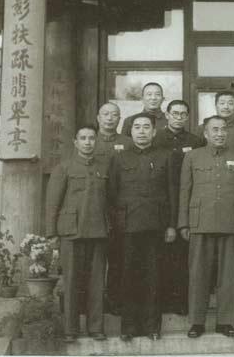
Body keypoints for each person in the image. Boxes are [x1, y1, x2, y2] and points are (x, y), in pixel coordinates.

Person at [179, 116, 234, 339]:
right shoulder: (192, 157)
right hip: (200, 222)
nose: (220, 133)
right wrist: (183, 222)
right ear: (205, 133)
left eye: (223, 129)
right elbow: (185, 190)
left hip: (231, 222)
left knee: (228, 276)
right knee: (198, 275)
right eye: (215, 129)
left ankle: (226, 321)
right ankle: (196, 321)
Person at [108, 114, 177, 341]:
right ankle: (128, 327)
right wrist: (115, 224)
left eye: (146, 127)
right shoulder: (119, 158)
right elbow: (112, 193)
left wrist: (171, 226)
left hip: (156, 226)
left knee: (154, 277)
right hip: (127, 227)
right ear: (131, 131)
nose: (141, 131)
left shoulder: (166, 156)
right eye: (137, 127)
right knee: (128, 277)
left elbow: (172, 194)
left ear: (154, 131)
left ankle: (152, 327)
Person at [45, 125, 109, 343]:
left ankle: (96, 327)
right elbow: (52, 202)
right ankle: (70, 329)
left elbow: (109, 200)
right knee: (72, 281)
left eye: (92, 138)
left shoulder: (103, 168)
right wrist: (52, 233)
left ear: (96, 141)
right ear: (75, 141)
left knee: (97, 282)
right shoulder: (64, 168)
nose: (88, 142)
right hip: (71, 232)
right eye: (83, 138)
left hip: (98, 231)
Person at [197, 91, 234, 297]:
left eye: (231, 103)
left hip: (232, 193)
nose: (227, 106)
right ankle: (211, 287)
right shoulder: (202, 128)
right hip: (208, 199)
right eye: (223, 102)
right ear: (216, 104)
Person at [153, 100, 202, 315]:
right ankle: (162, 302)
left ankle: (182, 302)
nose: (179, 117)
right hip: (162, 199)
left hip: (188, 199)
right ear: (167, 114)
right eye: (175, 113)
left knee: (183, 256)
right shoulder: (156, 138)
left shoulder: (195, 140)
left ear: (188, 117)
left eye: (183, 114)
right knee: (161, 255)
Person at [94, 102, 131, 315]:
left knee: (118, 258)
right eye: (105, 114)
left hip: (120, 209)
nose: (110, 118)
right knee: (94, 260)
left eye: (114, 115)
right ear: (98, 117)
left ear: (119, 119)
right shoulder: (89, 140)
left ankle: (115, 300)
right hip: (95, 208)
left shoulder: (127, 142)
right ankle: (92, 303)